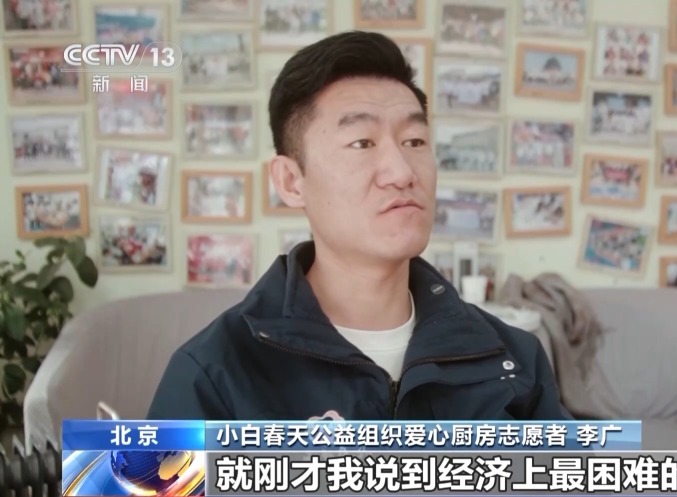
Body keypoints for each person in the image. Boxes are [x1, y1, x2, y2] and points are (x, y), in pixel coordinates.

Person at [148, 31, 568, 421]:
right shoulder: (214, 374)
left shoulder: (513, 362)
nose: (402, 172)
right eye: (362, 143)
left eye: (415, 142)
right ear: (291, 181)